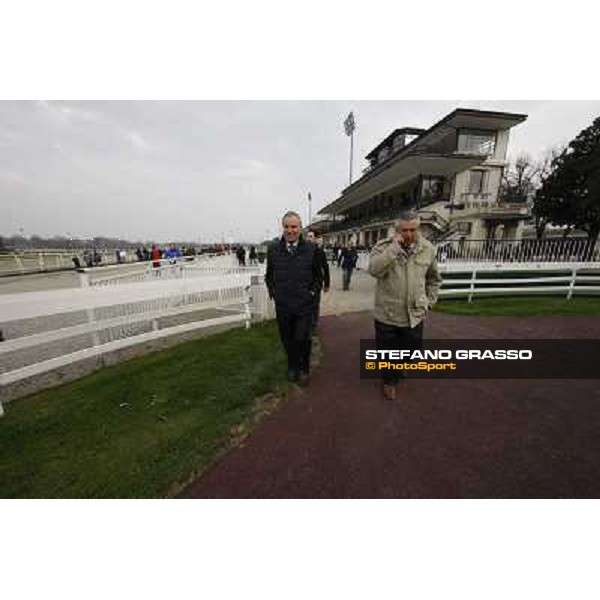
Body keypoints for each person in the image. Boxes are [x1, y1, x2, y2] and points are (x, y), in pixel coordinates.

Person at [367, 211, 443, 401]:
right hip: (388, 312)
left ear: (418, 228)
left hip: (415, 312)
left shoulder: (428, 249)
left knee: (412, 349)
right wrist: (393, 250)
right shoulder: (382, 248)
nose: (409, 234)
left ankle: (400, 366)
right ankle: (389, 382)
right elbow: (374, 270)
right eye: (404, 230)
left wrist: (430, 301)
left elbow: (434, 279)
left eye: (413, 229)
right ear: (397, 229)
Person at [265, 211, 323, 386]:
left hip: (304, 306)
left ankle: (304, 368)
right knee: (287, 339)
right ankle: (292, 366)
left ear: (300, 228)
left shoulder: (312, 249)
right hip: (283, 306)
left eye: (294, 227)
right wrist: (275, 294)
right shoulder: (273, 249)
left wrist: (311, 294)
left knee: (303, 339)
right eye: (287, 227)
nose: (290, 230)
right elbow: (269, 276)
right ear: (283, 228)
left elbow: (318, 278)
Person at [306, 229, 330, 333]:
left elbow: (326, 268)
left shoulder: (320, 252)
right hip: (305, 284)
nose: (308, 239)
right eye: (307, 236)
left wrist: (327, 284)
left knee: (315, 305)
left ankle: (314, 326)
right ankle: (307, 324)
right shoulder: (303, 252)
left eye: (311, 236)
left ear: (315, 239)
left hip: (316, 283)